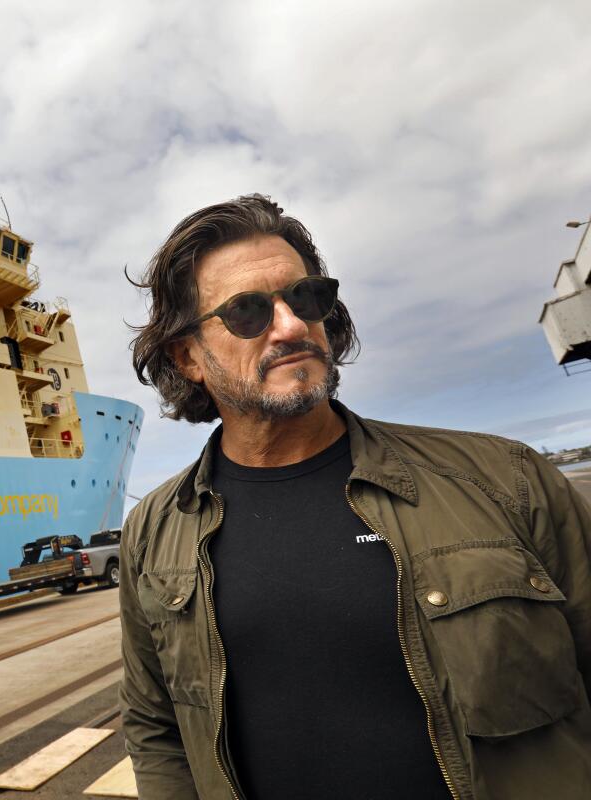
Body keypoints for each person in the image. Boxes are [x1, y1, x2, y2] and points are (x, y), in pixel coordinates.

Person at [120, 194, 591, 799]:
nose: (291, 326)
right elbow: (156, 729)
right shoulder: (154, 532)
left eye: (306, 297)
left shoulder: (507, 480)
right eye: (247, 312)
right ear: (188, 357)